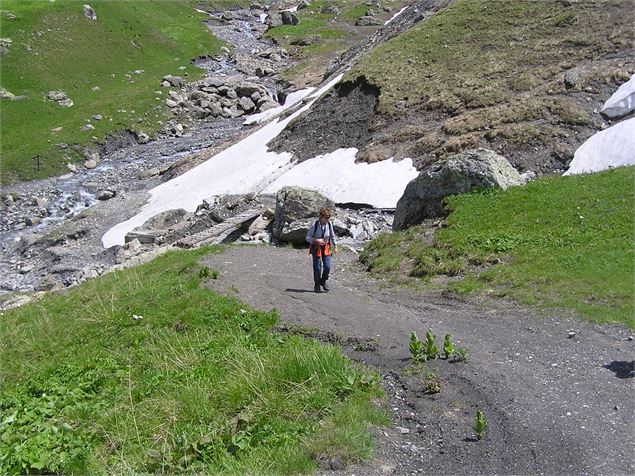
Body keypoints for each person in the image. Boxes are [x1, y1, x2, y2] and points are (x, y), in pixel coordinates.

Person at [306, 207, 337, 293]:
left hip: (326, 247)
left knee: (327, 266)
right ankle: (317, 284)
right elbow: (307, 237)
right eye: (326, 218)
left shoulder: (329, 224)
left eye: (328, 218)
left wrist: (335, 245)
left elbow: (332, 235)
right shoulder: (315, 225)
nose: (327, 220)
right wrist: (316, 240)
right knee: (317, 267)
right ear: (321, 217)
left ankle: (323, 281)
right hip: (316, 248)